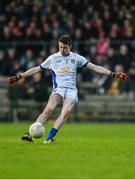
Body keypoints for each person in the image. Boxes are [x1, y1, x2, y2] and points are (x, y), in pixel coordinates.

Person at [7, 35, 127, 144]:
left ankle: (48, 139)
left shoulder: (76, 58)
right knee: (48, 110)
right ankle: (30, 134)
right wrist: (19, 76)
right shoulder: (53, 58)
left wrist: (113, 74)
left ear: (70, 46)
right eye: (60, 47)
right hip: (58, 89)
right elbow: (37, 69)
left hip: (71, 91)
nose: (62, 50)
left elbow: (94, 67)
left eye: (65, 47)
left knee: (65, 113)